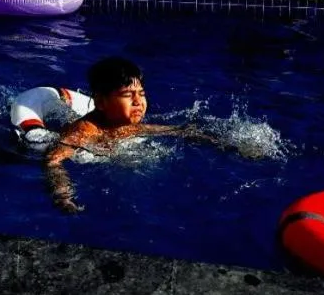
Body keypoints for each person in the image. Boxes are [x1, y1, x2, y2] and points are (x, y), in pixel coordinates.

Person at [44, 56, 212, 214]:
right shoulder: (83, 132)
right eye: (127, 95)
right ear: (101, 102)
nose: (138, 102)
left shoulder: (127, 126)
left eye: (142, 93)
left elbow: (177, 131)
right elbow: (53, 161)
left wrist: (212, 140)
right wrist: (63, 197)